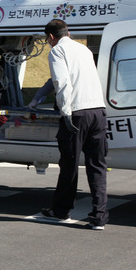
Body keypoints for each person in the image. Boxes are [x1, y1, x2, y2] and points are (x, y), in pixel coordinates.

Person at [40, 19, 109, 230]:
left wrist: (65, 112)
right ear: (67, 32)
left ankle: (61, 211)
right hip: (98, 110)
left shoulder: (57, 51)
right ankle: (99, 217)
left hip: (77, 112)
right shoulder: (85, 50)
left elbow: (62, 83)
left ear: (51, 37)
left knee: (69, 163)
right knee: (97, 165)